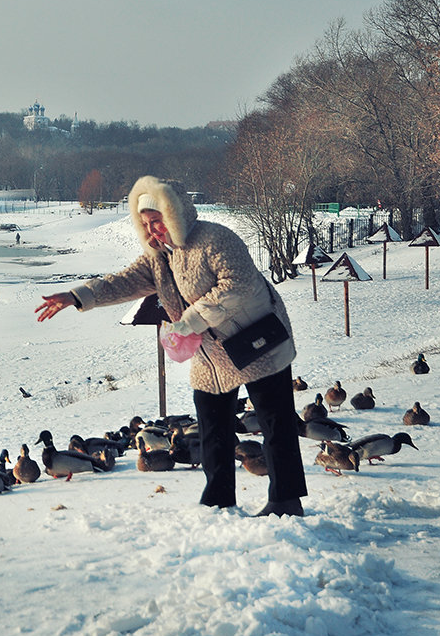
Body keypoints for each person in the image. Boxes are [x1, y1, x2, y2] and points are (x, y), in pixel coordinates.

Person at [35, 176, 307, 516]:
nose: (152, 230)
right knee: (212, 428)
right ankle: (218, 501)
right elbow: (124, 281)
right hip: (211, 356)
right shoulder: (157, 257)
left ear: (175, 213)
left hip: (258, 342)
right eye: (145, 224)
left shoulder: (215, 239)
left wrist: (189, 321)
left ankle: (286, 500)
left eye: (157, 221)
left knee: (275, 422)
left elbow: (238, 285)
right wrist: (78, 296)